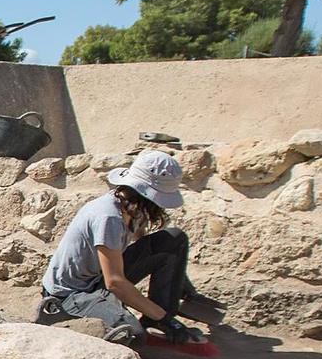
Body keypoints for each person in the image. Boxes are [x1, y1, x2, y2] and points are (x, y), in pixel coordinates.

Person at [38, 149, 210, 347]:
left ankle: (155, 320)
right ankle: (59, 320)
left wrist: (180, 284)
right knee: (132, 335)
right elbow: (115, 282)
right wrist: (167, 319)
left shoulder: (131, 206)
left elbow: (149, 248)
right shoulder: (108, 217)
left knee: (174, 240)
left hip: (98, 279)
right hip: (71, 295)